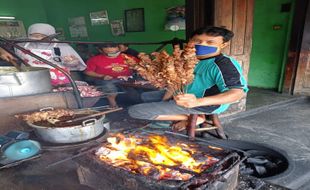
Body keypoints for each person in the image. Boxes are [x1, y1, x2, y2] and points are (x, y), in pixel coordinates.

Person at [128, 26, 249, 131]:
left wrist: (197, 102)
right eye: (197, 40)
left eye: (210, 42)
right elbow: (175, 82)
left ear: (223, 44)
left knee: (135, 111)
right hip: (181, 94)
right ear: (190, 41)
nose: (202, 44)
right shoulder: (186, 59)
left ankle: (194, 118)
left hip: (205, 104)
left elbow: (236, 93)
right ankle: (172, 115)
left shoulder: (223, 64)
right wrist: (165, 100)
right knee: (143, 97)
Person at [15, 23, 86, 86]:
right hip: (29, 78)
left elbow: (77, 65)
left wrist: (71, 62)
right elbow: (13, 57)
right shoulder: (22, 44)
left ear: (51, 35)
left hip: (56, 80)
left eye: (42, 36)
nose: (38, 38)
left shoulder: (62, 46)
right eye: (34, 36)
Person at [85, 43, 136, 108]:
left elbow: (139, 67)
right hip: (105, 80)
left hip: (127, 80)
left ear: (118, 49)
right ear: (101, 51)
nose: (113, 53)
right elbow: (88, 72)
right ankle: (112, 104)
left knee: (134, 96)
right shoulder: (94, 59)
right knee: (109, 87)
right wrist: (102, 76)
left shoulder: (128, 58)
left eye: (115, 51)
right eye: (109, 52)